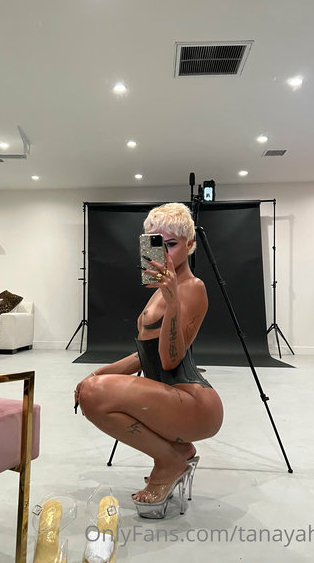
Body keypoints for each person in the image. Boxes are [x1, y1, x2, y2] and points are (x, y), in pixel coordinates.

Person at [75, 202, 223, 518]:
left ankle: (169, 462)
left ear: (190, 244)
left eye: (171, 244)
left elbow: (170, 361)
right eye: (156, 244)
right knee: (92, 389)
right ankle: (179, 451)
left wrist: (173, 303)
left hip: (193, 401)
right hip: (170, 397)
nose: (164, 254)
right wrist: (97, 376)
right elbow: (144, 355)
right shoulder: (161, 289)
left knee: (94, 394)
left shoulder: (192, 288)